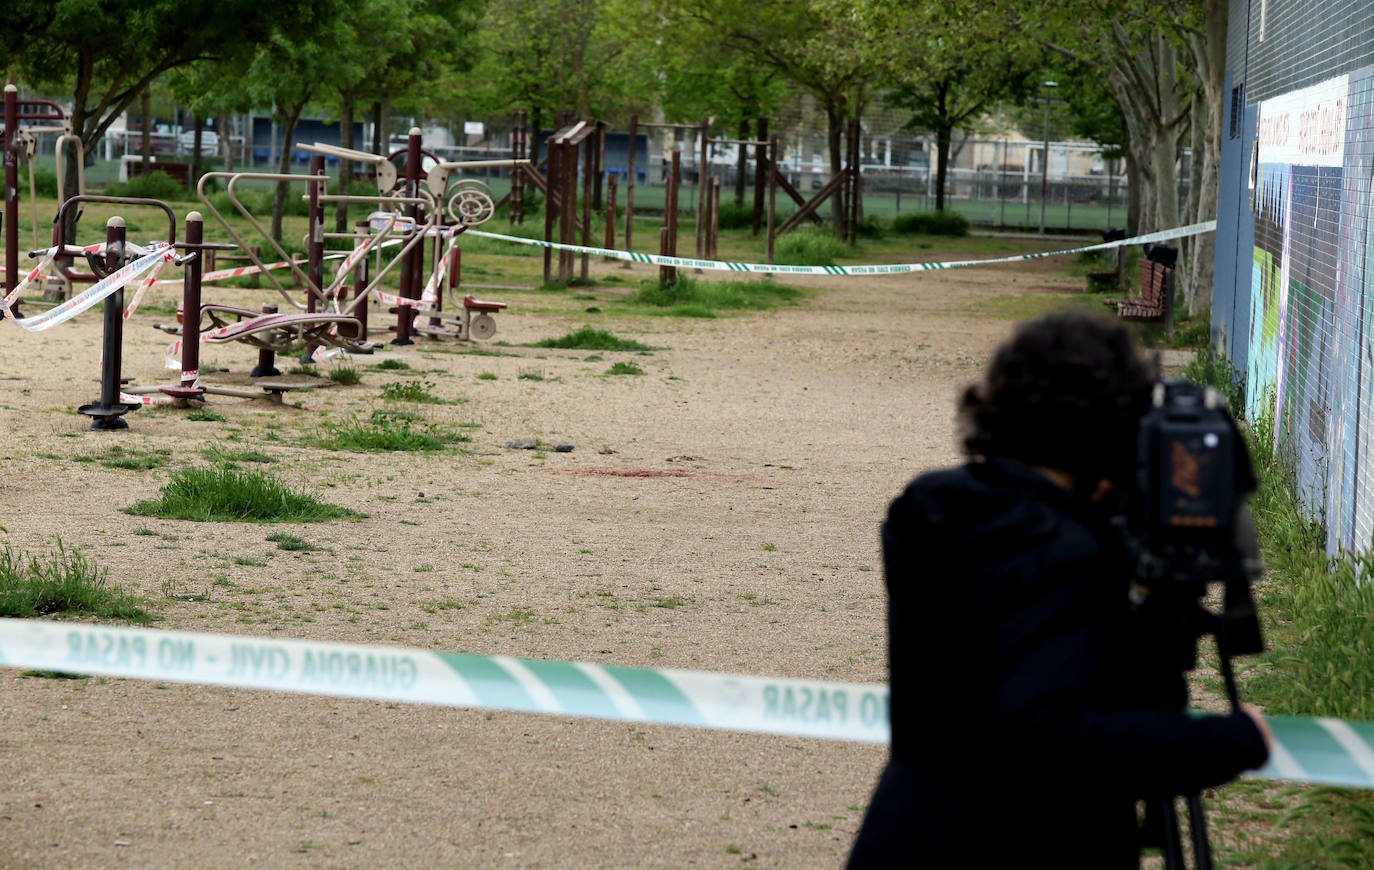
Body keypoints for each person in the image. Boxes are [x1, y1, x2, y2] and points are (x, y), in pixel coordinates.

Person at [847, 312, 1271, 868]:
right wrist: (1229, 741)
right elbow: (1049, 741)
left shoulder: (932, 511)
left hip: (909, 835)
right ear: (1110, 426)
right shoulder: (1064, 552)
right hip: (1037, 841)